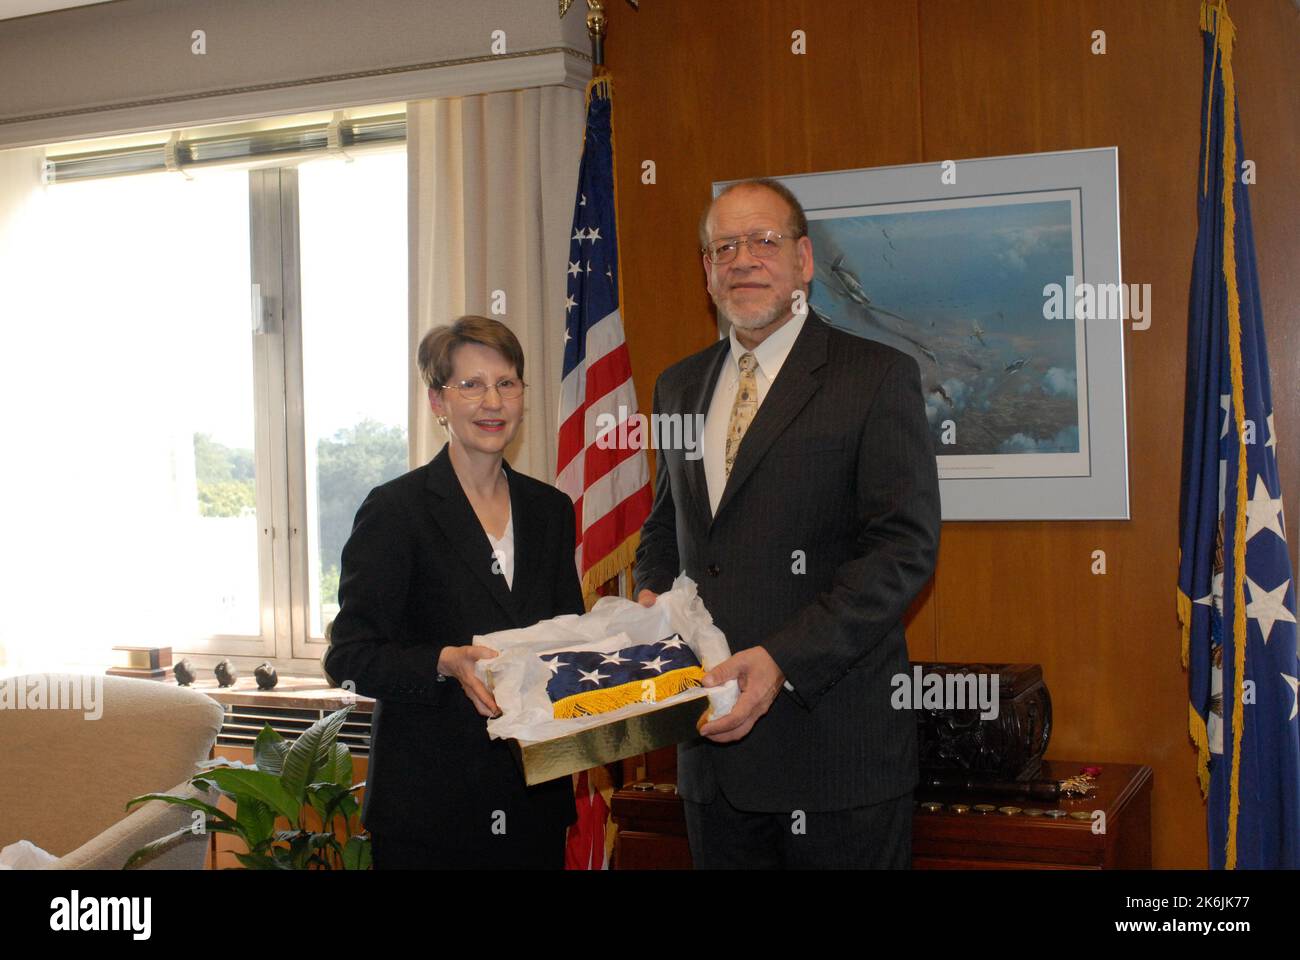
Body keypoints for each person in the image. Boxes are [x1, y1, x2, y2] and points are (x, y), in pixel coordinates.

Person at [633, 178, 941, 869]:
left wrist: (781, 662)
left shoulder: (876, 376)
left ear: (803, 260)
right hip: (712, 761)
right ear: (707, 271)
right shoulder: (678, 386)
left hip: (835, 761)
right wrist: (654, 604)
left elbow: (902, 550)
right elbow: (666, 528)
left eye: (763, 241)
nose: (744, 260)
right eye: (725, 247)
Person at [323, 315, 584, 869]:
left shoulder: (552, 511)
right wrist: (443, 661)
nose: (492, 401)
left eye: (506, 383)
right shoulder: (396, 511)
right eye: (470, 385)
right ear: (437, 402)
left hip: (533, 804)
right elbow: (349, 657)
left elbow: (568, 641)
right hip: (430, 814)